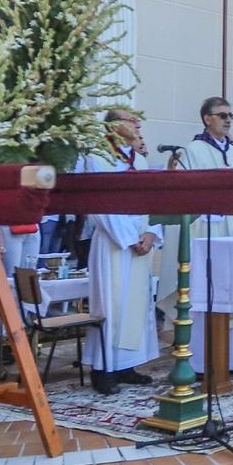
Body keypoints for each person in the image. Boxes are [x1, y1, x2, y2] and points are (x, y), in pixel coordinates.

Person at [78, 110, 164, 395]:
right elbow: (99, 204)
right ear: (114, 126)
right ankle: (103, 368)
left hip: (141, 239)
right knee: (111, 305)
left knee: (137, 305)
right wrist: (129, 238)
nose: (138, 124)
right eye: (131, 120)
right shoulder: (97, 157)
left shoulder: (139, 160)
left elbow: (153, 199)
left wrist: (151, 234)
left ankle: (127, 363)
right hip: (113, 243)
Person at [169, 96, 233, 373]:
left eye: (231, 115)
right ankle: (203, 361)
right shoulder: (191, 151)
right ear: (207, 119)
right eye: (222, 115)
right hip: (207, 232)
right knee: (207, 293)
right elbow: (183, 194)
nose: (228, 120)